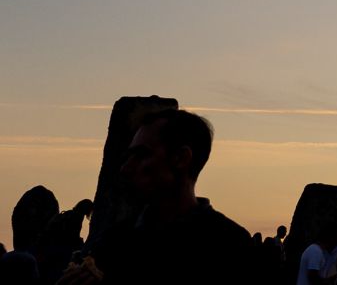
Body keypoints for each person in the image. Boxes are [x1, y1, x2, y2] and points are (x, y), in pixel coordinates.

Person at [56, 107, 255, 285]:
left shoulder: (232, 246)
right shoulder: (114, 243)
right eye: (128, 157)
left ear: (181, 159)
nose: (125, 168)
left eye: (141, 154)